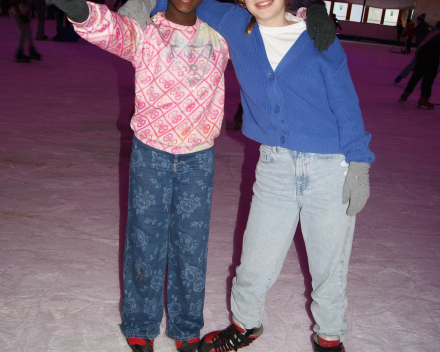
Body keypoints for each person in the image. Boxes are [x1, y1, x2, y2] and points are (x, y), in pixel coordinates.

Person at [43, 1, 336, 352]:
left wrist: (312, 9)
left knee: (191, 247)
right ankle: (140, 322)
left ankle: (185, 327)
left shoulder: (220, 35)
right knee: (144, 241)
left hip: (198, 159)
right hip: (151, 154)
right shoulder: (146, 32)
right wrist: (74, 6)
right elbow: (108, 28)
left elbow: (273, 23)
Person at [128, 0, 373, 351]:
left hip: (329, 170)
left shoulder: (318, 35)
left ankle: (329, 337)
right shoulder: (234, 22)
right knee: (254, 261)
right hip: (275, 168)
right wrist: (138, 9)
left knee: (329, 267)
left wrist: (360, 162)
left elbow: (346, 102)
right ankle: (245, 325)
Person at [399, 21, 440, 109]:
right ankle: (424, 98)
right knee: (429, 77)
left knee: (417, 74)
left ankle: (407, 93)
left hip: (422, 53)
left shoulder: (434, 32)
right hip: (432, 54)